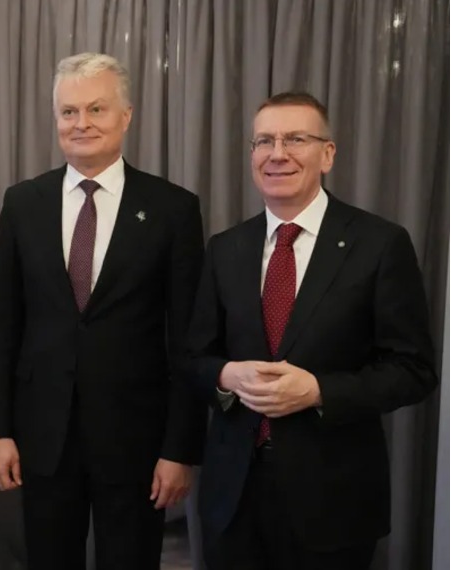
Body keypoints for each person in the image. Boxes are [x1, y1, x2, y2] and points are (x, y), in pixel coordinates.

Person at [185, 91, 437, 570]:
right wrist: (227, 375)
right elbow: (194, 358)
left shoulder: (379, 244)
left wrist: (319, 390)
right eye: (264, 141)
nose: (277, 153)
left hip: (334, 501)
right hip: (233, 499)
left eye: (295, 139)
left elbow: (414, 370)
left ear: (328, 154)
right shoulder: (225, 248)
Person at [0, 52, 207, 570]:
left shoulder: (173, 208)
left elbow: (188, 342)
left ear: (126, 116)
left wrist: (180, 449)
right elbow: (3, 326)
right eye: (69, 111)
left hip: (137, 442)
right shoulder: (23, 203)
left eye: (96, 109)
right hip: (43, 439)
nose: (81, 123)